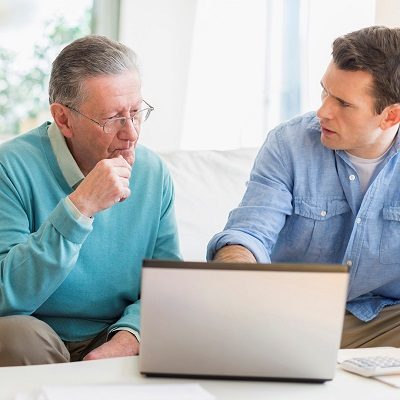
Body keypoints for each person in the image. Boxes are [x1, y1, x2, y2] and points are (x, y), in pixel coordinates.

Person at [207, 26, 400, 348]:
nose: (323, 111)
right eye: (325, 92)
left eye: (343, 103)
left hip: (386, 321)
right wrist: (237, 273)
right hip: (289, 317)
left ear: (390, 116)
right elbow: (250, 232)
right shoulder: (289, 144)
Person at [0, 35, 180, 366]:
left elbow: (168, 284)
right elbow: (5, 296)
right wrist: (78, 208)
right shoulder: (9, 167)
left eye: (137, 112)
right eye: (113, 118)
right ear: (64, 119)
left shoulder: (153, 173)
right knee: (14, 336)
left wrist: (129, 337)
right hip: (38, 335)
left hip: (114, 332)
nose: (132, 133)